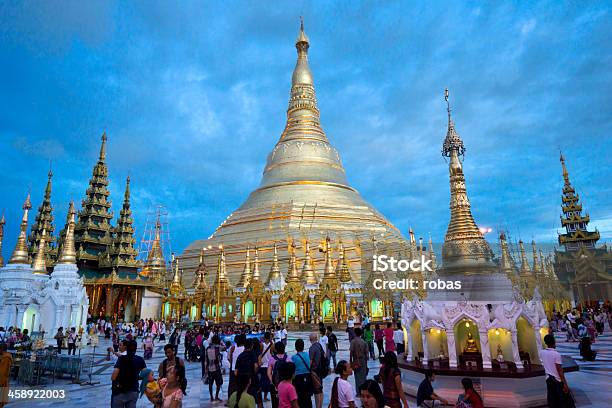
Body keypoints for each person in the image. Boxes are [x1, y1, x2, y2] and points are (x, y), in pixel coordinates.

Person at [111, 340, 147, 408]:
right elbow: (145, 373)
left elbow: (113, 377)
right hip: (133, 391)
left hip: (120, 391)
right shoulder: (140, 359)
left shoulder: (121, 359)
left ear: (126, 348)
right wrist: (136, 377)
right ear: (136, 348)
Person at [541, 334, 572, 407]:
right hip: (557, 380)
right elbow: (560, 371)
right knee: (563, 401)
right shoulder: (556, 354)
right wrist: (565, 384)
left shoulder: (542, 352)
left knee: (552, 399)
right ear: (554, 342)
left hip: (548, 379)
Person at [235, 339, 261, 406]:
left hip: (242, 381)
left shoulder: (240, 356)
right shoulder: (252, 354)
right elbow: (255, 366)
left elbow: (235, 372)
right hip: (252, 380)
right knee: (258, 400)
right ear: (252, 346)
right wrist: (254, 373)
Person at [292, 339, 313, 408]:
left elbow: (292, 370)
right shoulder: (307, 355)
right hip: (308, 378)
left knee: (299, 398)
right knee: (308, 398)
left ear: (295, 347)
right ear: (303, 347)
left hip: (298, 379)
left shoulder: (293, 358)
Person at [204, 334, 226, 402]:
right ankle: (216, 396)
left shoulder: (207, 348)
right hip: (217, 368)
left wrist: (206, 369)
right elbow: (225, 347)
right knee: (219, 383)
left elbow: (205, 360)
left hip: (210, 369)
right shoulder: (218, 347)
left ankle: (211, 397)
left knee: (210, 384)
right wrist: (222, 342)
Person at [268, 341, 289, 408]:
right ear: (284, 348)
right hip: (286, 385)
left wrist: (272, 382)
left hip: (275, 385)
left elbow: (269, 373)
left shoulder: (272, 359)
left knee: (275, 403)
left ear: (276, 350)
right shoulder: (288, 359)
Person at [308, 333, 325, 408]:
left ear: (310, 339)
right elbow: (324, 355)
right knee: (320, 389)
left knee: (316, 390)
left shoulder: (312, 348)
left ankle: (318, 406)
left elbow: (310, 361)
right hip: (321, 369)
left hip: (315, 371)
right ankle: (320, 406)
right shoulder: (319, 345)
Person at [259, 332, 274, 402]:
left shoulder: (261, 344)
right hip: (269, 364)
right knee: (268, 381)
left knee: (262, 380)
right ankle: (265, 396)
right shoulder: (272, 345)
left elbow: (260, 354)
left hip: (262, 364)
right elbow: (272, 353)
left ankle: (260, 396)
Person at [0, 343, 13, 408]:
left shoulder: (6, 358)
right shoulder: (4, 356)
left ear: (1, 349)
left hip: (2, 380)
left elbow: (3, 371)